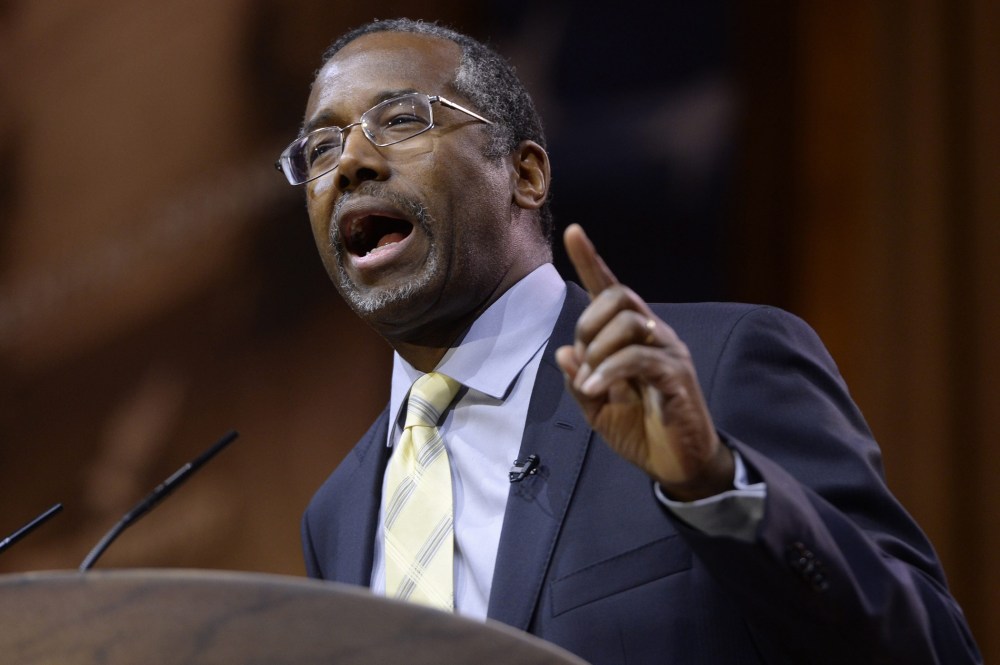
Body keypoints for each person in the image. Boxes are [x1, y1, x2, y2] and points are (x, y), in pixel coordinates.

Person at [281, 18, 981, 664]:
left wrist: (714, 482)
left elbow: (933, 647)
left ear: (524, 174)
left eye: (400, 118)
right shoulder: (337, 511)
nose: (350, 163)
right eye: (319, 148)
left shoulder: (719, 364)